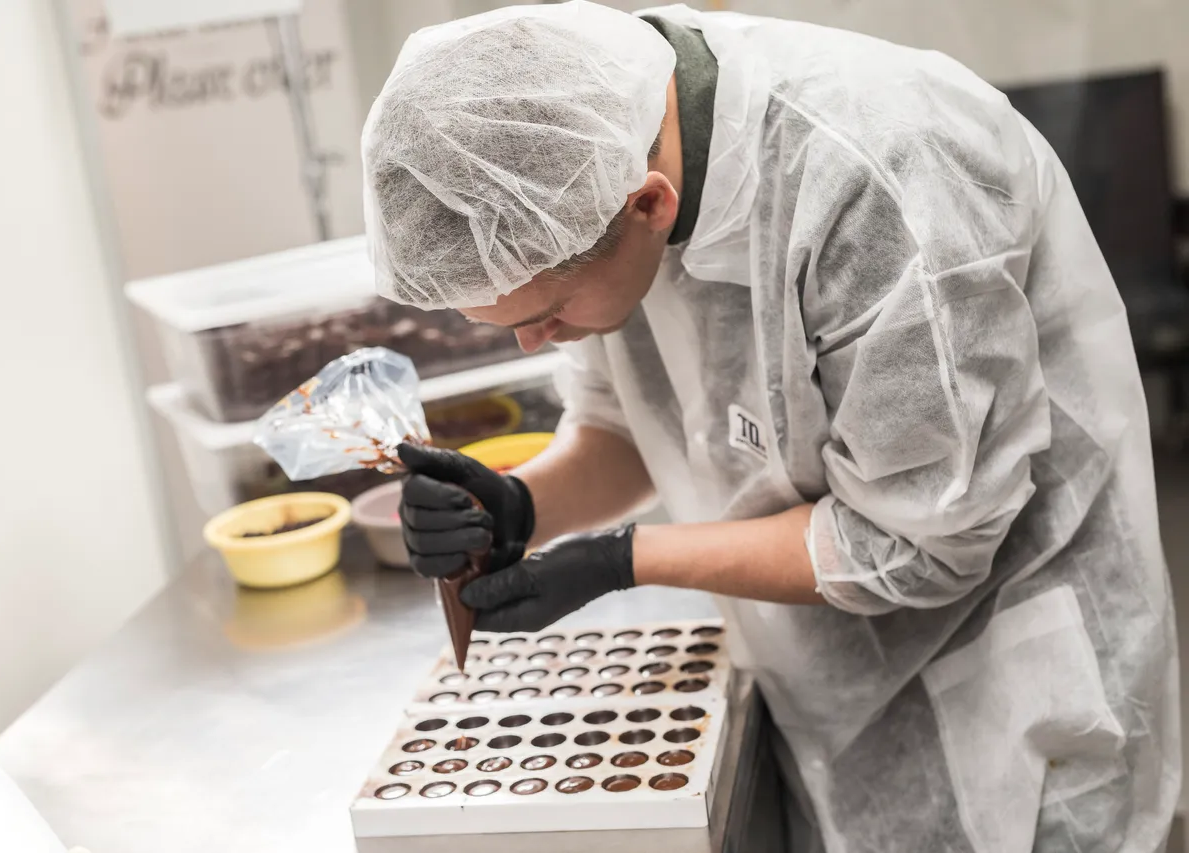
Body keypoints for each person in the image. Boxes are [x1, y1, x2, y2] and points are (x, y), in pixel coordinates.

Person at [364, 2, 1180, 850]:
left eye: (550, 314)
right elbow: (633, 421)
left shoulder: (879, 178)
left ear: (647, 205)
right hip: (826, 684)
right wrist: (524, 504)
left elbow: (923, 542)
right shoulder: (590, 160)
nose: (538, 343)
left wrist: (623, 559)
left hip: (1009, 688)